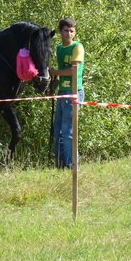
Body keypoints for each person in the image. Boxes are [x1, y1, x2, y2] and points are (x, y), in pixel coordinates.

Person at [49, 18, 85, 169]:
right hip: (62, 92)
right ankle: (60, 165)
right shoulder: (59, 48)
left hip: (74, 92)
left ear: (75, 32)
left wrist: (53, 71)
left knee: (68, 132)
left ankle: (72, 166)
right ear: (60, 32)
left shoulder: (77, 47)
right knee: (58, 131)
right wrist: (53, 84)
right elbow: (59, 73)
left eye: (71, 31)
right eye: (66, 30)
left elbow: (73, 70)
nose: (69, 33)